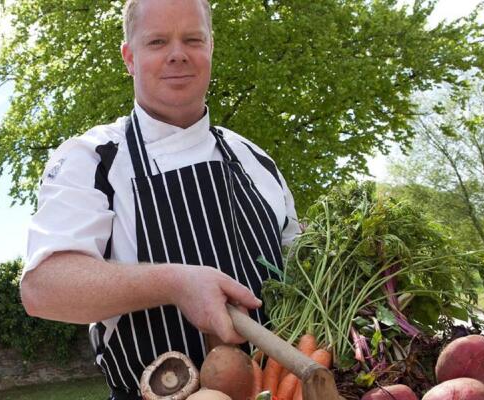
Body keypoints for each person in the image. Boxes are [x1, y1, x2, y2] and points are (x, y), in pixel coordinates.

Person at [20, 0, 301, 398]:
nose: (177, 54)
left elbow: (302, 270)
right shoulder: (93, 158)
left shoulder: (255, 160)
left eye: (193, 39)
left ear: (210, 48)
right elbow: (44, 287)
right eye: (157, 42)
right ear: (129, 58)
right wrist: (176, 283)